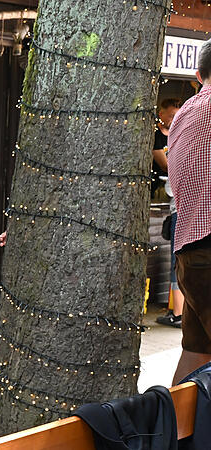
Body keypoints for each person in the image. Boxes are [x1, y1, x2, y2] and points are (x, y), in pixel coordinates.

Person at [167, 38, 211, 385]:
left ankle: (170, 433)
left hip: (190, 252)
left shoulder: (184, 112)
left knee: (196, 354)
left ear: (198, 74)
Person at [152, 98, 184, 328]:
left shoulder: (180, 140)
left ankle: (178, 312)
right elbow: (163, 164)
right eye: (170, 115)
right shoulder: (159, 135)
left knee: (177, 260)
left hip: (177, 208)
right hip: (176, 204)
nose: (173, 120)